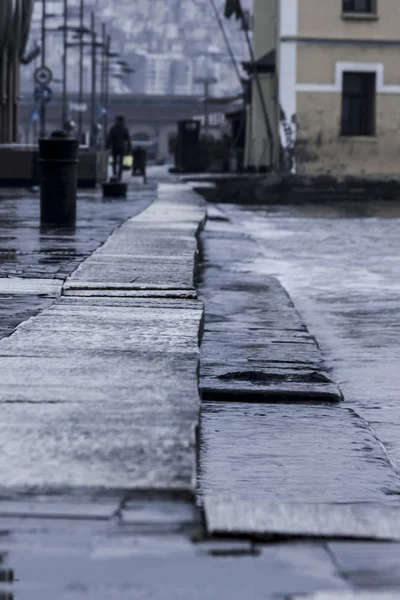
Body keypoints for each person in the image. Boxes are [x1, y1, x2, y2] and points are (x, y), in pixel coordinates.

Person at [106, 116, 131, 181]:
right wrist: (129, 148)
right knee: (121, 162)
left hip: (114, 147)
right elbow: (128, 139)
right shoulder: (124, 129)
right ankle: (119, 176)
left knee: (114, 162)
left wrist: (107, 146)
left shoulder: (113, 128)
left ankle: (114, 175)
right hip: (122, 147)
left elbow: (109, 138)